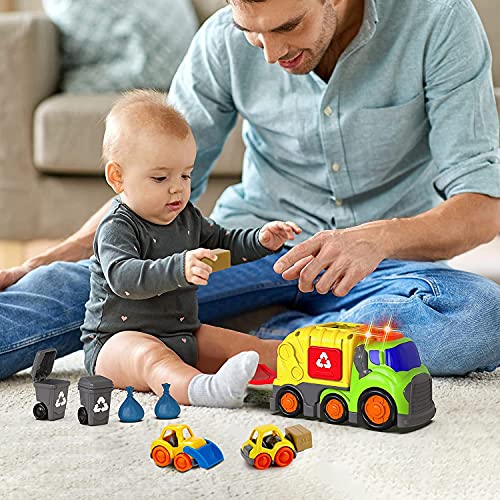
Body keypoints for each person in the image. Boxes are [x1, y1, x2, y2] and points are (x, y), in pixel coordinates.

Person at [1, 0, 499, 381]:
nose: (274, 52)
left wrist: (377, 238)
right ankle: (289, 347)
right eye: (253, 32)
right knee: (90, 282)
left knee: (478, 314)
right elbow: (149, 182)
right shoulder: (221, 40)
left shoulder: (437, 21)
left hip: (383, 265)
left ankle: (251, 334)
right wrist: (54, 257)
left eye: (288, 26)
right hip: (250, 248)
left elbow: (483, 205)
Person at [80, 89, 300, 407]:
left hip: (181, 334)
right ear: (118, 177)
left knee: (253, 348)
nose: (177, 188)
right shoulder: (117, 226)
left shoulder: (187, 216)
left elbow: (224, 242)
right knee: (152, 359)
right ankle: (204, 390)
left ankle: (315, 368)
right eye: (160, 177)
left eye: (186, 174)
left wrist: (259, 240)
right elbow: (124, 278)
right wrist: (180, 267)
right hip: (115, 345)